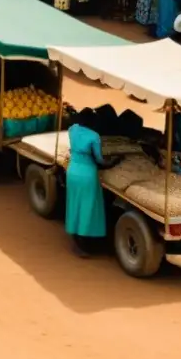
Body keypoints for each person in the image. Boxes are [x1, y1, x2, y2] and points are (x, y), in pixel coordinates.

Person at [65, 109, 110, 257]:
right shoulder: (94, 136)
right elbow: (99, 159)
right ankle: (83, 244)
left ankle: (75, 239)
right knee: (87, 208)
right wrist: (112, 162)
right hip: (87, 174)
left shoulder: (72, 129)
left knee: (74, 204)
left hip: (72, 170)